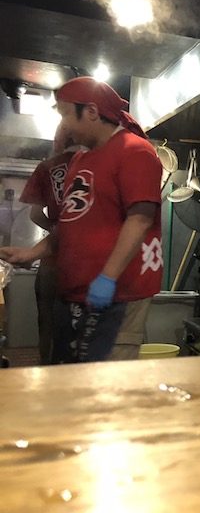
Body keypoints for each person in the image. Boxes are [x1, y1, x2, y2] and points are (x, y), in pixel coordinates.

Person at [0, 77, 163, 363]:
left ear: (90, 111)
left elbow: (140, 219)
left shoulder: (135, 151)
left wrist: (107, 278)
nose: (64, 126)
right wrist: (32, 252)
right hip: (76, 294)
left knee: (108, 385)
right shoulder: (81, 161)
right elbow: (71, 223)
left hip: (119, 295)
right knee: (74, 381)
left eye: (65, 115)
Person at [19, 122, 83, 364]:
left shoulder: (47, 167)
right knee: (79, 323)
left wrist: (56, 229)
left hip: (52, 261)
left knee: (46, 321)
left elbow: (35, 213)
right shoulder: (95, 164)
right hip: (85, 261)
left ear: (57, 140)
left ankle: (46, 368)